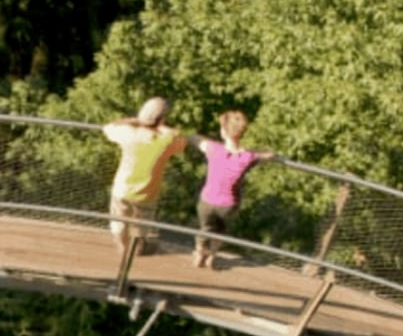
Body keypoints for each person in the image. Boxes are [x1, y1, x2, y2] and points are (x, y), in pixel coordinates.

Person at [102, 96, 191, 252]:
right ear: (161, 119)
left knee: (118, 223)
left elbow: (108, 127)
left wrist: (134, 121)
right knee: (140, 227)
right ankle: (135, 250)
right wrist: (162, 127)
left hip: (122, 189)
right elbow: (182, 140)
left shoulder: (128, 134)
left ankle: (122, 248)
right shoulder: (166, 141)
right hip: (148, 193)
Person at [191, 110, 276, 269]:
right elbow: (269, 154)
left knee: (205, 227)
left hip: (207, 199)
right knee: (221, 229)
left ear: (223, 131)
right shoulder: (247, 157)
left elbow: (194, 138)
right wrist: (252, 151)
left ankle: (200, 250)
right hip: (228, 204)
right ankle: (212, 254)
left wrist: (199, 137)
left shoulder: (213, 149)